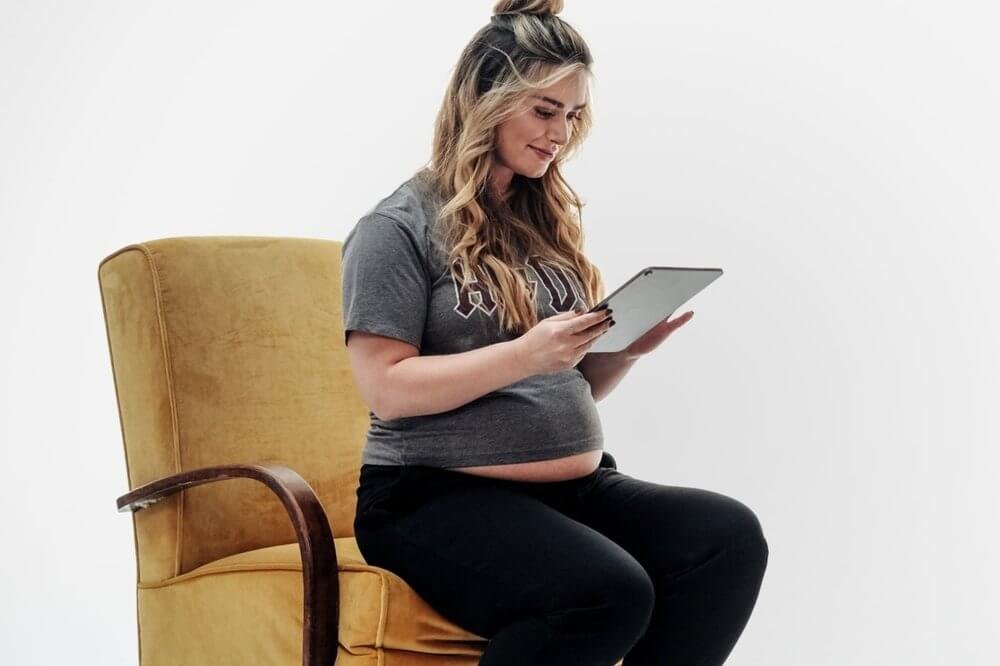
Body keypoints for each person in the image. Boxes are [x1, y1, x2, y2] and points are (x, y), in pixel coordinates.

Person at [341, 2, 768, 664]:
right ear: (483, 98)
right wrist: (524, 355)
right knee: (606, 593)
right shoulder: (396, 228)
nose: (560, 134)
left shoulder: (540, 224)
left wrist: (620, 353)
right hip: (429, 496)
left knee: (725, 538)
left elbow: (565, 385)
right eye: (545, 111)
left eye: (572, 116)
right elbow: (387, 390)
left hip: (569, 489)